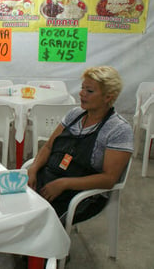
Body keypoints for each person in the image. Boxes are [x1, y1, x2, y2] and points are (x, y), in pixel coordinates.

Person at [27, 66, 133, 224]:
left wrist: (65, 184)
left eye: (89, 91)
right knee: (13, 206)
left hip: (82, 194)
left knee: (36, 222)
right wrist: (34, 169)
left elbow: (109, 179)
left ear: (108, 97)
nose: (82, 93)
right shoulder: (74, 115)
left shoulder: (119, 130)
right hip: (50, 178)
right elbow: (49, 146)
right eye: (82, 88)